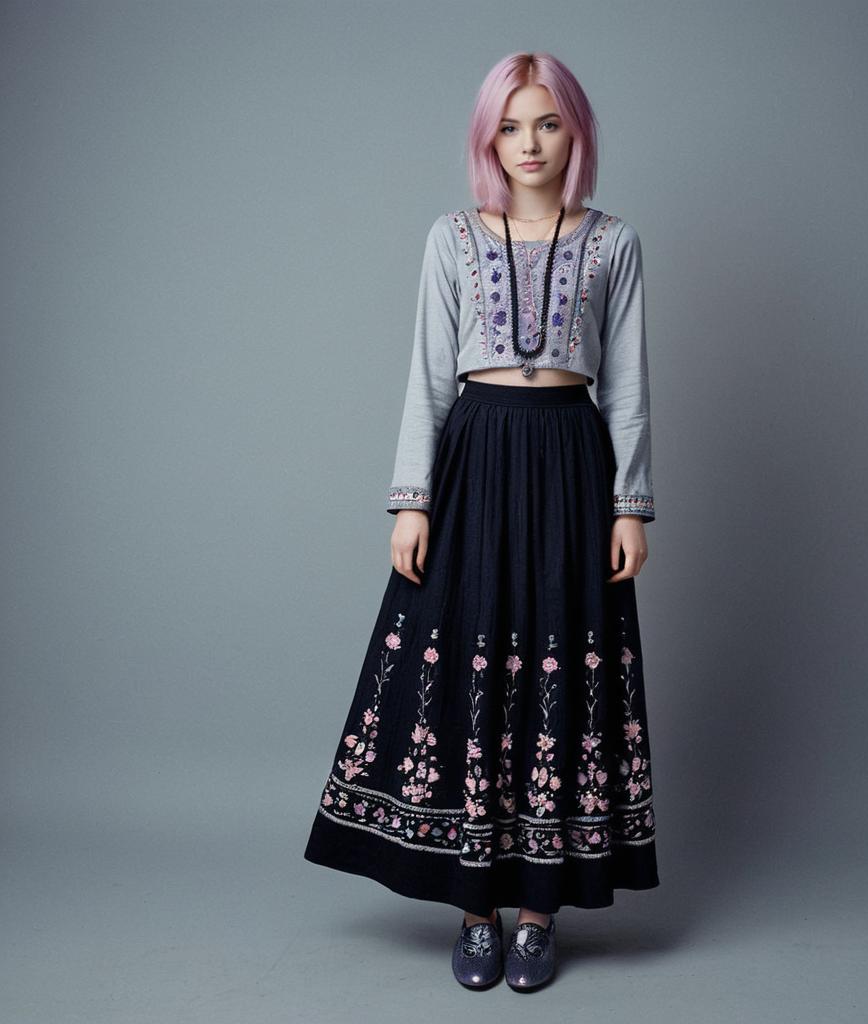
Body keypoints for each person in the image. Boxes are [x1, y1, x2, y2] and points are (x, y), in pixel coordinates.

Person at [303, 51, 659, 993]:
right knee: (471, 661)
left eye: (546, 122)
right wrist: (410, 499)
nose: (528, 143)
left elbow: (627, 386)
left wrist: (631, 506)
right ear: (486, 138)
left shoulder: (614, 242)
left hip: (571, 464)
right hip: (475, 461)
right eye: (509, 125)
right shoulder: (453, 237)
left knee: (557, 660)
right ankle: (475, 910)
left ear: (575, 131)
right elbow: (428, 374)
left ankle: (538, 914)